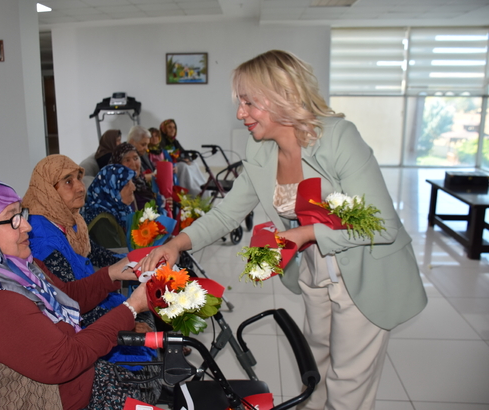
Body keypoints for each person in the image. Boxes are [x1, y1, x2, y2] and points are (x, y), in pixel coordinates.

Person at [140, 50, 428, 410]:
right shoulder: (260, 149)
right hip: (313, 271)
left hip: (365, 266)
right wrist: (178, 243)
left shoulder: (338, 137)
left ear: (283, 96)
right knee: (317, 365)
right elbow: (229, 211)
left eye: (248, 102)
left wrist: (307, 235)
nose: (240, 113)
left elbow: (381, 225)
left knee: (347, 384)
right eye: (239, 102)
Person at [0, 178, 159, 409]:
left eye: (22, 214)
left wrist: (114, 274)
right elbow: (63, 361)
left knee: (159, 377)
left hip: (76, 385)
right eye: (13, 218)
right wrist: (132, 308)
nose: (27, 226)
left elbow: (67, 294)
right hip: (44, 397)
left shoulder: (17, 267)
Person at [82, 164, 136, 250]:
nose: (133, 187)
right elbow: (116, 256)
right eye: (126, 184)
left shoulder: (122, 210)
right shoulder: (102, 221)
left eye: (132, 182)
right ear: (110, 188)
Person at [112, 142, 166, 213]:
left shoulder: (141, 182)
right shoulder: (119, 192)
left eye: (135, 158)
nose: (133, 164)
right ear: (118, 164)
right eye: (127, 160)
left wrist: (163, 204)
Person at [159, 119, 207, 196]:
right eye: (169, 127)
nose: (172, 130)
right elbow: (166, 157)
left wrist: (188, 159)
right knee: (184, 166)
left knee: (194, 163)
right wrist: (182, 160)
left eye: (174, 127)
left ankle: (202, 185)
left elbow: (183, 152)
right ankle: (190, 189)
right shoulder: (161, 142)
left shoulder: (174, 141)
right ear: (164, 129)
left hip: (178, 162)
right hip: (170, 165)